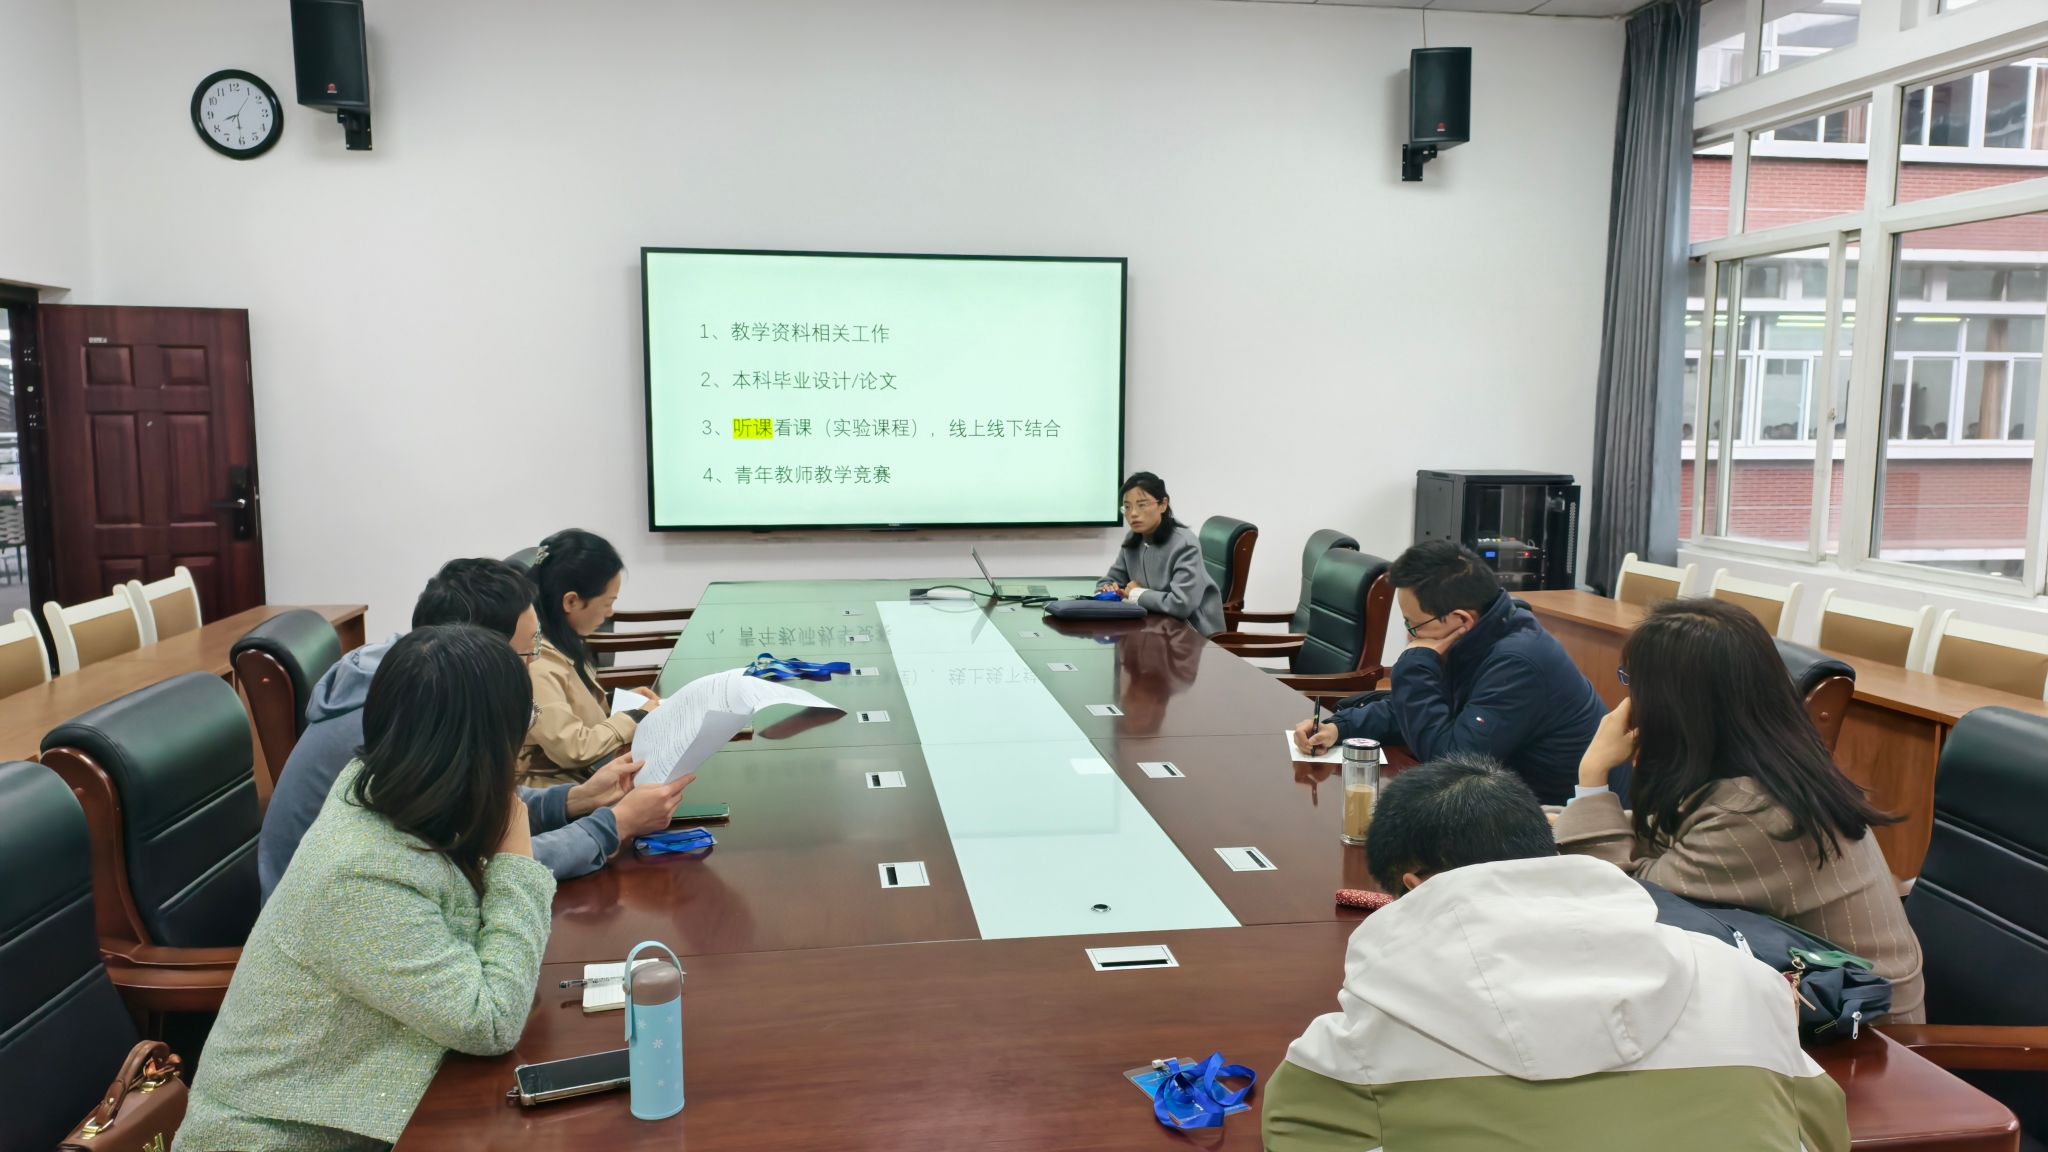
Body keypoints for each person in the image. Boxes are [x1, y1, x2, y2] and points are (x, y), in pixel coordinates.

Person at [1262, 755, 1851, 1152]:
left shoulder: (1366, 1038)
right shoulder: (1746, 983)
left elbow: (1291, 1129)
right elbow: (1823, 1135)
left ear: (1414, 888)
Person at [177, 626, 557, 1151]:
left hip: (373, 1111)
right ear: (482, 747)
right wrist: (516, 856)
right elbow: (490, 1021)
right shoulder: (362, 872)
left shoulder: (383, 783)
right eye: (525, 723)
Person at [1554, 597, 1925, 1022]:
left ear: (1675, 705)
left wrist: (1593, 776)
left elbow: (1630, 902)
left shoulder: (1755, 814)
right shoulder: (1762, 766)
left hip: (1861, 1031)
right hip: (1802, 993)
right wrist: (1570, 818)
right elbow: (1672, 837)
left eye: (1632, 683)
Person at [258, 559, 693, 902]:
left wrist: (576, 800)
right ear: (477, 652)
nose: (534, 665)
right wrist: (613, 826)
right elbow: (482, 863)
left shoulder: (416, 676)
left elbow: (480, 807)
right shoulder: (406, 714)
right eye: (528, 652)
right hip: (350, 928)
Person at [1292, 541, 1603, 804]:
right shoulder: (1483, 632)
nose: (1411, 635)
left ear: (1460, 619)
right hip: (1503, 801)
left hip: (1556, 824)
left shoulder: (1518, 663)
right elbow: (1426, 709)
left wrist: (1414, 663)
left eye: (1413, 624)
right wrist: (1340, 728)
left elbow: (1450, 763)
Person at [522, 528, 662, 785]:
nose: (610, 613)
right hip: (555, 791)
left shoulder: (558, 638)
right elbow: (573, 750)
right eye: (608, 603)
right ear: (571, 602)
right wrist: (636, 717)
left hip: (582, 776)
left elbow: (568, 705)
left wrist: (613, 701)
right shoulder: (536, 661)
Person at [1098, 472, 1224, 637]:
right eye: (1127, 507)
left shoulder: (1184, 544)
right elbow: (1110, 581)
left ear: (1163, 504)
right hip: (1152, 628)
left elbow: (1181, 605)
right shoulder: (1133, 539)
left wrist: (1136, 593)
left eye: (1142, 505)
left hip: (1191, 635)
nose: (1133, 513)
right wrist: (1108, 589)